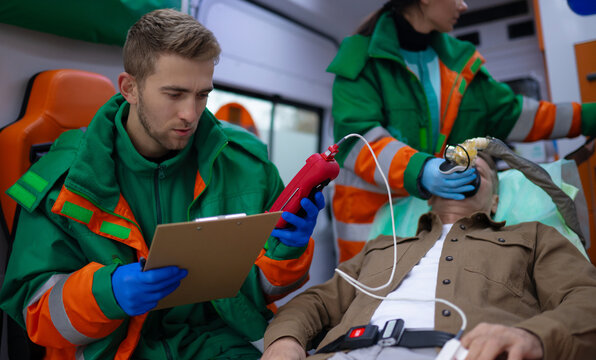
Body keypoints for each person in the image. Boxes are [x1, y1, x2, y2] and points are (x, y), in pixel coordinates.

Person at [0, 9, 325, 359]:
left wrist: (287, 250)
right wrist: (107, 293)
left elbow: (268, 289)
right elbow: (34, 312)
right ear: (130, 88)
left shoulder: (247, 165)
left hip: (223, 346)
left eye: (202, 95)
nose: (191, 113)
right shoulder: (62, 181)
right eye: (175, 94)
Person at [328, 0, 596, 263]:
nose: (464, 5)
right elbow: (357, 139)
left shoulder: (461, 63)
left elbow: (523, 116)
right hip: (372, 229)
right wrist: (421, 170)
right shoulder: (361, 60)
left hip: (441, 230)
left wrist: (589, 118)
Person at [261, 153, 596, 360]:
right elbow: (316, 301)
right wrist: (284, 343)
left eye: (478, 169)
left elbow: (586, 299)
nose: (465, 165)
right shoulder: (382, 246)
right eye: (453, 165)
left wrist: (533, 336)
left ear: (494, 201)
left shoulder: (532, 237)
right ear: (431, 196)